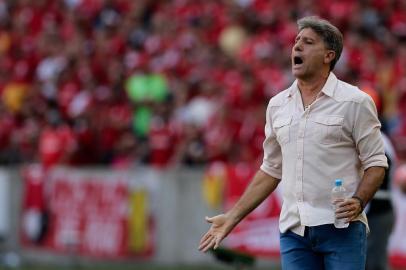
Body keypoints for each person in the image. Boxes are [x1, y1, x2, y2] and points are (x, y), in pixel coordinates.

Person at [198, 16, 388, 270]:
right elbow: (271, 169)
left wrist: (358, 200)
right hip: (293, 231)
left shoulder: (356, 101)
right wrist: (233, 217)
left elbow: (376, 163)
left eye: (308, 42)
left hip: (342, 228)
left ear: (328, 55)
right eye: (296, 41)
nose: (297, 47)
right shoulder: (277, 105)